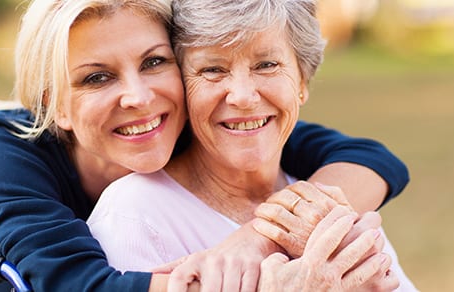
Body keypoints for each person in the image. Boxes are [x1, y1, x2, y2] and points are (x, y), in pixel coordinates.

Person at [0, 0, 408, 291]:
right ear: (55, 106)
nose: (139, 98)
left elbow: (371, 159)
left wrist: (257, 239)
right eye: (96, 77)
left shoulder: (180, 122)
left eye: (154, 62)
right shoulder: (0, 152)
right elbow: (70, 282)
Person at [88, 0, 417, 291]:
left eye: (267, 65)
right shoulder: (134, 216)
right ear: (182, 88)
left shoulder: (326, 200)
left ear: (302, 82)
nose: (243, 97)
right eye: (213, 69)